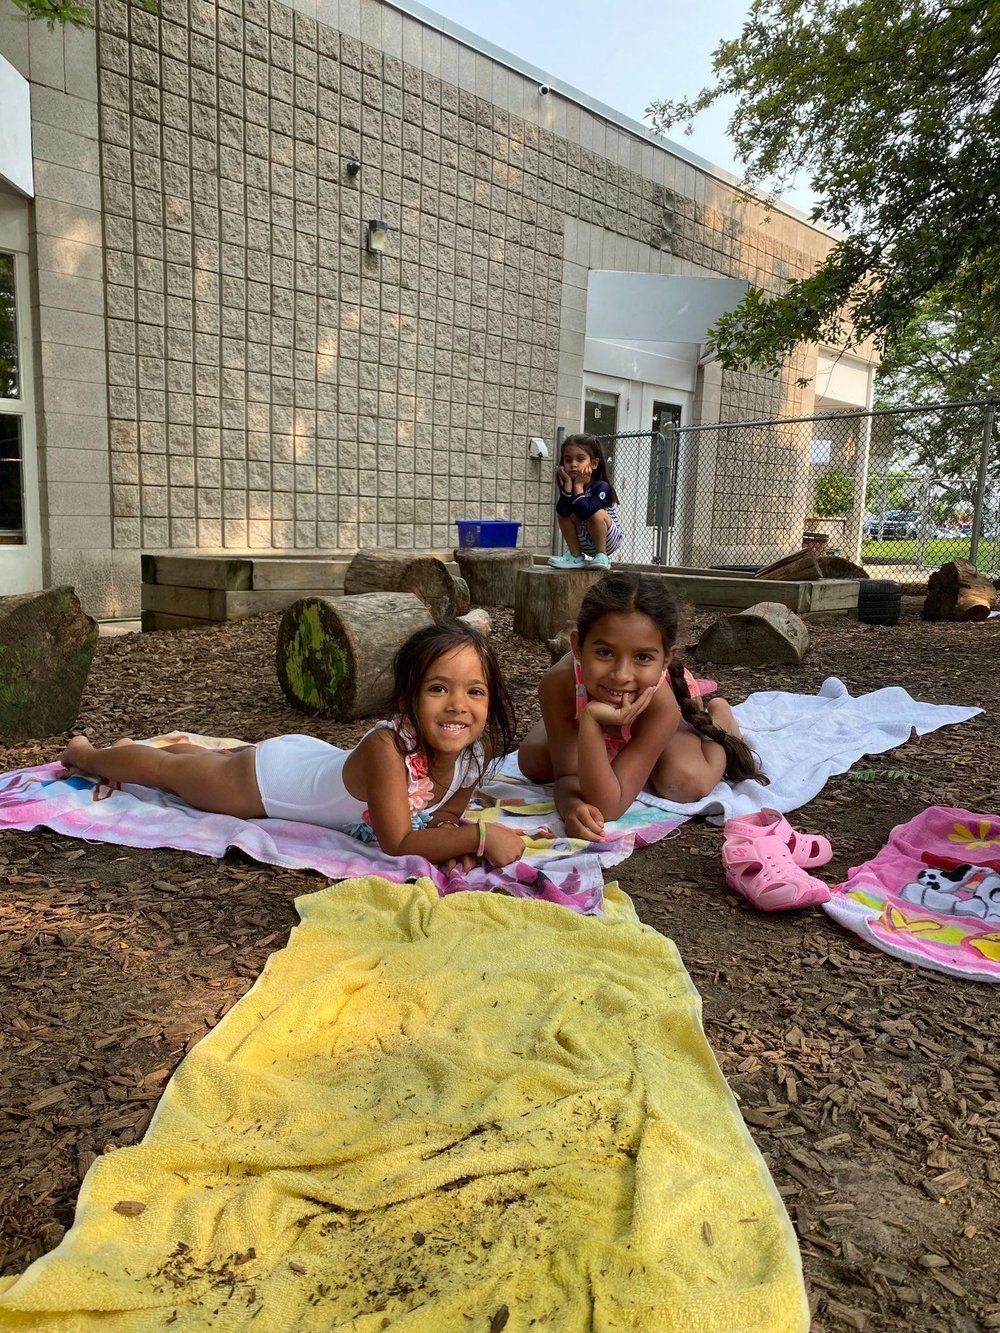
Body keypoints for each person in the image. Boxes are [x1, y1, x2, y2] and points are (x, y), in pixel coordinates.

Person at [57, 621, 526, 871]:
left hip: (308, 758)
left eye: (475, 692)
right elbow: (398, 842)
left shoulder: (474, 755)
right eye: (438, 689)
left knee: (204, 763)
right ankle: (88, 754)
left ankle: (164, 752)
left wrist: (452, 840)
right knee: (167, 773)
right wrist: (478, 837)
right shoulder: (389, 750)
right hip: (265, 785)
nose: (458, 707)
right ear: (407, 700)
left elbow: (442, 817)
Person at [518, 572, 766, 840]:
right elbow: (568, 777)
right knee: (533, 761)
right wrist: (572, 807)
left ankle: (719, 717)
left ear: (666, 658)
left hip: (668, 716)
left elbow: (608, 806)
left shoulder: (662, 705)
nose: (622, 675)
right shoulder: (558, 683)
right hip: (588, 709)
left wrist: (589, 720)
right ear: (578, 646)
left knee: (682, 782)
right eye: (604, 652)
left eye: (642, 657)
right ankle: (582, 733)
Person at [548, 433, 623, 570]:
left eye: (580, 459)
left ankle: (602, 556)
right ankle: (575, 557)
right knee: (564, 513)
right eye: (568, 460)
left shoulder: (602, 486)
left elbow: (586, 512)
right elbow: (562, 512)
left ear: (593, 464)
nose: (573, 464)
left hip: (607, 540)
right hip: (583, 539)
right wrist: (569, 483)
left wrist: (578, 486)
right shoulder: (568, 485)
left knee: (597, 513)